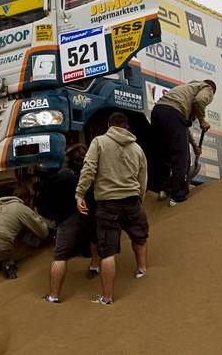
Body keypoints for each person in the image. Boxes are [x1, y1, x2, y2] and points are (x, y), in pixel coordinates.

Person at [75, 112, 149, 305]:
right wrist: (139, 198)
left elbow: (89, 169)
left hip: (107, 203)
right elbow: (143, 177)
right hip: (132, 200)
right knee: (139, 237)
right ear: (127, 128)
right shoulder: (137, 148)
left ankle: (107, 298)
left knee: (107, 252)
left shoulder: (99, 142)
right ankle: (142, 270)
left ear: (109, 126)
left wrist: (80, 193)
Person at [40, 144, 101, 303]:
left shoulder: (53, 180)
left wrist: (54, 218)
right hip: (91, 214)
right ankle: (95, 266)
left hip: (66, 220)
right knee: (95, 240)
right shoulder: (89, 177)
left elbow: (43, 207)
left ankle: (54, 295)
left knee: (60, 256)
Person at [150, 79, 216, 206]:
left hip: (158, 112)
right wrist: (202, 120)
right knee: (181, 157)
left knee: (165, 153)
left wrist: (194, 145)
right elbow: (200, 101)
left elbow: (182, 126)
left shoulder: (186, 91)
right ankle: (178, 196)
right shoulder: (207, 88)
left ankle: (164, 189)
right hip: (172, 114)